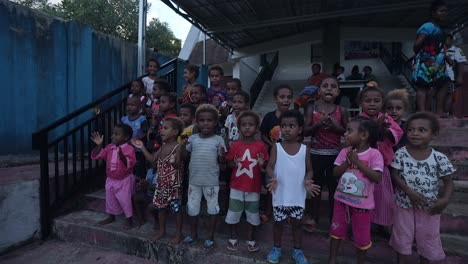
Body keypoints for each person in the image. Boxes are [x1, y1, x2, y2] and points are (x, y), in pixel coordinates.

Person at [390, 112, 455, 264]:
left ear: (434, 134)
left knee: (427, 239)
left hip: (429, 207)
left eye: (422, 130)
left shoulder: (439, 157)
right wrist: (408, 191)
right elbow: (394, 175)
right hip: (403, 205)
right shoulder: (401, 153)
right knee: (402, 238)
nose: (415, 133)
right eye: (411, 130)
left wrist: (444, 200)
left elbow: (448, 182)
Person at [265, 110, 320, 264]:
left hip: (297, 194)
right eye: (283, 126)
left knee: (297, 224)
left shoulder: (304, 148)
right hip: (279, 193)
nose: (287, 129)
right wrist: (272, 176)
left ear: (300, 129)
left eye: (291, 126)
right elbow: (270, 166)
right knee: (278, 224)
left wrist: (308, 180)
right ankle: (276, 248)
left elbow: (309, 169)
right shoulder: (276, 147)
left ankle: (297, 250)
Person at [328, 116, 384, 264]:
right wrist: (348, 161)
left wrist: (357, 162)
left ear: (364, 135)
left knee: (361, 238)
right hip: (341, 202)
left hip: (363, 207)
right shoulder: (345, 151)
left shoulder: (375, 154)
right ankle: (332, 260)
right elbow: (335, 173)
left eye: (349, 131)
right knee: (336, 231)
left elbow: (377, 178)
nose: (345, 134)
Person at [303, 77, 348, 229]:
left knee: (333, 188)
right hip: (315, 154)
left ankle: (333, 219)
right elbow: (304, 131)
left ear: (338, 92)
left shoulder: (341, 110)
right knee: (316, 187)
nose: (329, 89)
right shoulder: (312, 108)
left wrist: (335, 127)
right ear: (319, 90)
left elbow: (348, 132)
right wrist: (318, 123)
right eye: (325, 86)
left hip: (335, 156)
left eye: (333, 86)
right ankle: (314, 217)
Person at [359, 86, 403, 236]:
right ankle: (365, 224)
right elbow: (355, 138)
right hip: (362, 167)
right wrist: (373, 128)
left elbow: (396, 134)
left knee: (383, 198)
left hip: (381, 168)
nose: (372, 104)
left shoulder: (387, 120)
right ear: (361, 103)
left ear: (382, 103)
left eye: (376, 101)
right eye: (368, 101)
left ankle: (383, 225)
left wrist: (383, 128)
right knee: (364, 196)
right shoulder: (358, 121)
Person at [132, 117, 185, 243]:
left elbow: (177, 165)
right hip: (161, 184)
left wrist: (174, 160)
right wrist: (142, 147)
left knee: (176, 210)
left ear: (175, 132)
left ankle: (179, 233)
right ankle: (162, 230)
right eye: (161, 128)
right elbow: (152, 159)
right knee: (161, 208)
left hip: (174, 186)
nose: (161, 130)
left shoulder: (178, 147)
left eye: (166, 128)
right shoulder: (162, 147)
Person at [182, 104, 226, 252]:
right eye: (202, 120)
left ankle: (210, 236)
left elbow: (223, 163)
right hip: (194, 182)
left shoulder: (219, 140)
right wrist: (182, 146)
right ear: (197, 122)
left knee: (212, 209)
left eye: (209, 120)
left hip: (211, 182)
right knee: (192, 208)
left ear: (215, 122)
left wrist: (222, 156)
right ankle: (193, 234)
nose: (205, 123)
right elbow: (185, 157)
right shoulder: (193, 139)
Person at [225, 111, 269, 252]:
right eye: (244, 125)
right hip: (236, 185)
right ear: (239, 128)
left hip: (253, 186)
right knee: (234, 211)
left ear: (256, 128)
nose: (247, 127)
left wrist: (262, 164)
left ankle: (250, 237)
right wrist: (234, 162)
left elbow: (264, 167)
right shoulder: (236, 145)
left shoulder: (260, 145)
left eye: (251, 125)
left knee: (252, 213)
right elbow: (230, 164)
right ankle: (233, 236)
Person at [90, 124, 136, 229]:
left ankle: (129, 220)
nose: (113, 136)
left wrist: (122, 157)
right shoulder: (110, 147)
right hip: (111, 179)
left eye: (117, 134)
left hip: (124, 180)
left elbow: (131, 163)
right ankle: (111, 216)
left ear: (126, 137)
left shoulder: (129, 149)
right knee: (110, 199)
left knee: (125, 201)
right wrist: (99, 146)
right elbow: (99, 155)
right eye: (113, 134)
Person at [260, 84, 293, 223]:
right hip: (272, 158)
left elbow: (299, 135)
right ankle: (269, 211)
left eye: (289, 97)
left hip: (289, 157)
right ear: (275, 99)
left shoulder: (294, 117)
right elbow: (262, 134)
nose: (285, 100)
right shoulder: (269, 116)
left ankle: (287, 212)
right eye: (282, 97)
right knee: (271, 185)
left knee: (287, 185)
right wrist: (271, 145)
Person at [412, 0, 449, 114]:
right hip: (427, 61)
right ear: (433, 13)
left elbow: (441, 46)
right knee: (423, 86)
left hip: (437, 63)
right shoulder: (428, 26)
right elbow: (417, 44)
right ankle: (423, 112)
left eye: (446, 11)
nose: (444, 13)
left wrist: (444, 58)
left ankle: (438, 111)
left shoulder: (440, 28)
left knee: (444, 83)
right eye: (441, 11)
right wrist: (424, 57)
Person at [444, 34, 467, 118]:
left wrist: (460, 76)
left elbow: (461, 63)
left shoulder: (456, 50)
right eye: (445, 39)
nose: (447, 41)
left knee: (450, 95)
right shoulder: (439, 50)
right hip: (438, 77)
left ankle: (448, 114)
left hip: (450, 77)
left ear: (451, 40)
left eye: (449, 39)